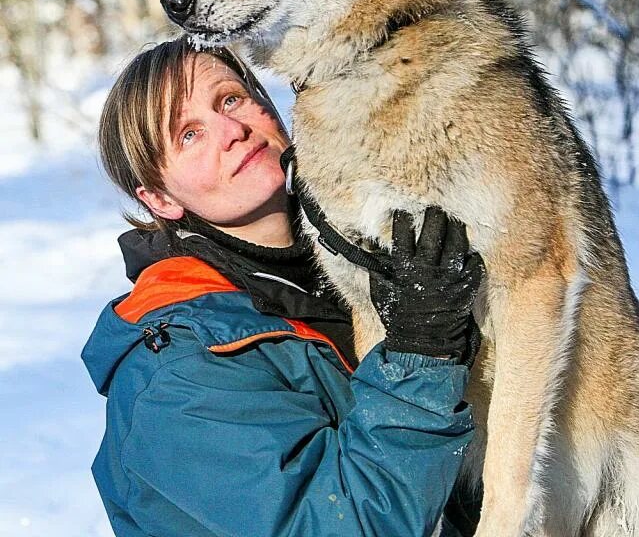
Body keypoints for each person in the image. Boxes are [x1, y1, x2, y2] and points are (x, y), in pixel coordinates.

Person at [83, 36, 484, 537]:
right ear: (160, 198)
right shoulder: (176, 368)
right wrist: (422, 354)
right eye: (188, 135)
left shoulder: (348, 264)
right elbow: (335, 526)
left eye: (230, 99)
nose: (232, 130)